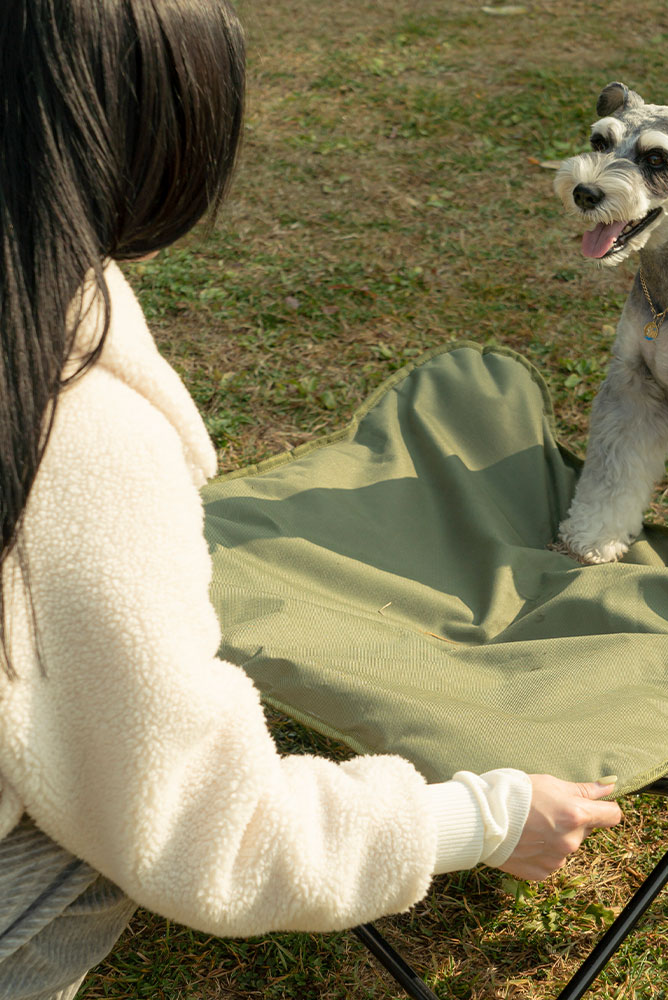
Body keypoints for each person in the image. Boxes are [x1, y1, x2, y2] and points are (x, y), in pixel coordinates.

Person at [0, 1, 622, 997]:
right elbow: (216, 829)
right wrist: (485, 817)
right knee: (94, 817)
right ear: (146, 141)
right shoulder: (74, 434)